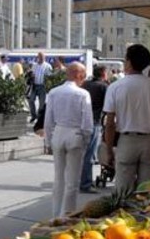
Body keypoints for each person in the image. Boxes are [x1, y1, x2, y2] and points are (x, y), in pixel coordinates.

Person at [103, 44, 150, 191]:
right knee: (147, 190)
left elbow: (110, 123)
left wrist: (109, 150)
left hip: (126, 140)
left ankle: (123, 213)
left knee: (123, 190)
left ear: (129, 62)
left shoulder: (115, 87)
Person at [44, 62, 92, 219]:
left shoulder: (54, 92)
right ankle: (67, 215)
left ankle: (55, 214)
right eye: (83, 76)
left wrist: (48, 139)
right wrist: (85, 139)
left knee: (59, 178)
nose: (83, 79)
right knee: (72, 181)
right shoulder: (83, 94)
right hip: (75, 134)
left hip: (58, 133)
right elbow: (87, 121)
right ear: (79, 75)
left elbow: (48, 119)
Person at [79, 65, 109, 194]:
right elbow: (108, 107)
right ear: (103, 74)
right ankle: (85, 183)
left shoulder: (85, 84)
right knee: (89, 154)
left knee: (81, 153)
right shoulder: (103, 87)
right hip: (95, 122)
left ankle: (78, 180)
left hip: (81, 121)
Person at [28, 52, 53, 123]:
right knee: (31, 100)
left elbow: (50, 76)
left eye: (42, 57)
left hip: (43, 86)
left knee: (41, 104)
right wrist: (31, 76)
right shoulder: (34, 65)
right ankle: (33, 115)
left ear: (44, 58)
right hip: (34, 85)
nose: (41, 58)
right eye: (39, 57)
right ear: (37, 57)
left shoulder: (47, 66)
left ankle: (39, 117)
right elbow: (32, 74)